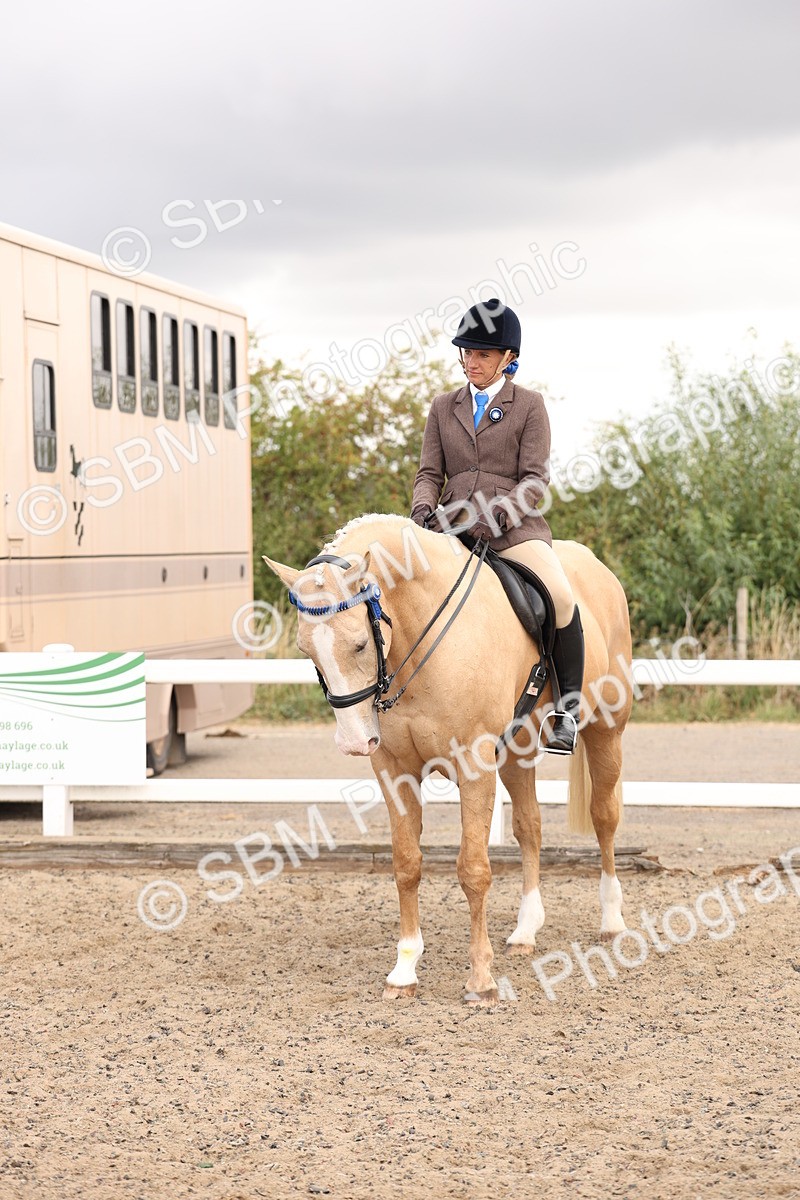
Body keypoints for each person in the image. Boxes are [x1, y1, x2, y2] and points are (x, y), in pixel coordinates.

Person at [409, 298, 583, 754]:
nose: (472, 362)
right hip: (449, 527)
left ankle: (566, 710)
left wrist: (501, 513)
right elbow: (430, 473)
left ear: (508, 358)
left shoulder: (528, 405)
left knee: (561, 596)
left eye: (482, 354)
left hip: (512, 529)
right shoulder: (443, 407)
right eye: (466, 353)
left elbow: (535, 478)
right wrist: (422, 511)